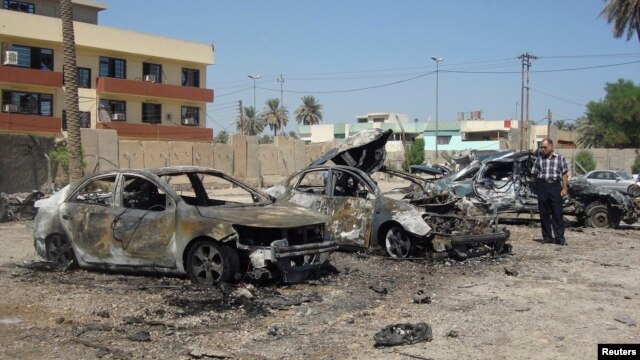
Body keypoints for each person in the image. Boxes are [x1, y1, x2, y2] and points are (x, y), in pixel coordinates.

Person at [531, 138, 569, 246]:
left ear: (551, 146)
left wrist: (564, 188)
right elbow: (534, 173)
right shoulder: (539, 159)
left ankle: (559, 238)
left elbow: (564, 174)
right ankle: (547, 237)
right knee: (544, 214)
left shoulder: (560, 158)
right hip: (543, 187)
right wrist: (537, 185)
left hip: (555, 187)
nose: (543, 149)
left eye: (545, 147)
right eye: (542, 147)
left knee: (557, 213)